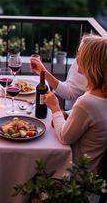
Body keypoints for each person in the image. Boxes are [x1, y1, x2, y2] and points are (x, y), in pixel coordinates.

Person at [44, 34, 107, 172]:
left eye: (80, 54)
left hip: (77, 177)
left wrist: (55, 108)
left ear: (91, 61)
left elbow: (64, 137)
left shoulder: (87, 101)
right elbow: (90, 116)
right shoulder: (100, 95)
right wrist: (67, 113)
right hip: (94, 173)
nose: (76, 58)